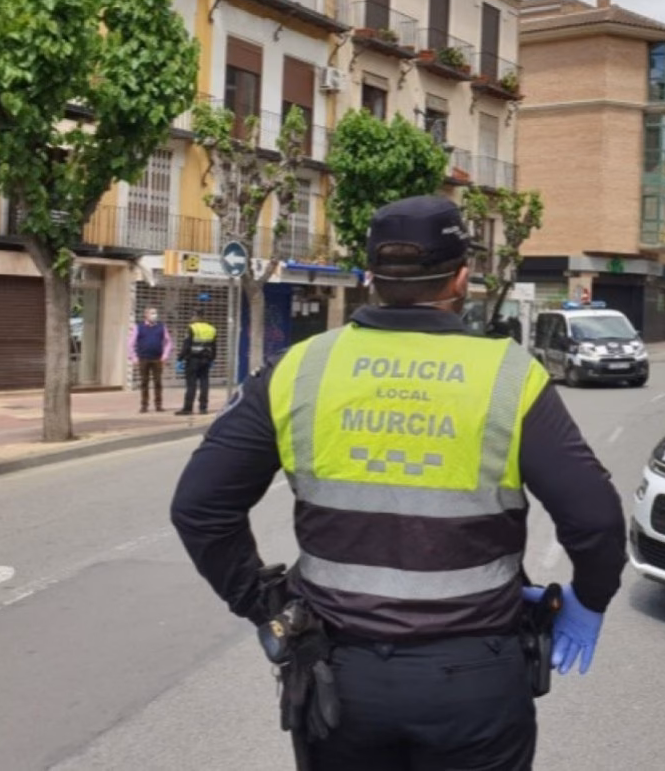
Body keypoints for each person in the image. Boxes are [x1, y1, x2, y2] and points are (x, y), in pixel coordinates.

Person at [169, 194, 627, 770]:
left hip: (337, 678)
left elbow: (199, 507)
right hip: (475, 677)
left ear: (370, 277)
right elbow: (596, 520)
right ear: (461, 278)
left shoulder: (299, 368)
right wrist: (588, 602)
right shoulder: (508, 376)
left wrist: (264, 603)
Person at [129, 307, 172, 413]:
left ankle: (158, 404)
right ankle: (144, 405)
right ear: (146, 315)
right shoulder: (139, 327)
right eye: (152, 313)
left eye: (155, 313)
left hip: (157, 358)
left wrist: (165, 355)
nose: (154, 315)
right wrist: (133, 357)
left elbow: (169, 342)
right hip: (143, 358)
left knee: (158, 382)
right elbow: (130, 343)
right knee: (144, 382)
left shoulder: (161, 327)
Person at [176, 311, 217, 416]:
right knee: (204, 383)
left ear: (195, 317)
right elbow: (214, 346)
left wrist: (180, 358)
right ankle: (203, 408)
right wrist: (212, 359)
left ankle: (188, 408)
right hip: (206, 360)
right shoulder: (211, 328)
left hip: (193, 360)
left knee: (191, 384)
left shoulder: (192, 327)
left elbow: (187, 345)